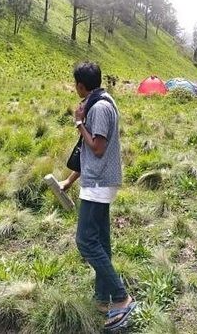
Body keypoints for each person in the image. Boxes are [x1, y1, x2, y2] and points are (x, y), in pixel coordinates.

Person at [59, 62, 135, 331]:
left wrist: (79, 123)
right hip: (97, 180)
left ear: (81, 85)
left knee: (86, 242)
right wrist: (68, 181)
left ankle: (122, 297)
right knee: (101, 241)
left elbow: (97, 147)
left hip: (99, 182)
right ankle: (105, 298)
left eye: (74, 83)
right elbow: (87, 151)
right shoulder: (100, 101)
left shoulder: (100, 108)